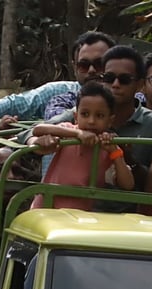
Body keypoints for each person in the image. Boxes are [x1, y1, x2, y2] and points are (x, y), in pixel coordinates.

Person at [0, 31, 115, 130]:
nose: (92, 71)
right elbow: (16, 103)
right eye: (84, 65)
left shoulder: (128, 96)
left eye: (99, 64)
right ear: (74, 66)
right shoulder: (61, 93)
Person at [26, 81, 135, 210]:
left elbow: (128, 184)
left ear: (110, 120)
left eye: (99, 116)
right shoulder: (68, 131)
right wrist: (78, 133)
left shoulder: (106, 144)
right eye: (85, 114)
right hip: (47, 206)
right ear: (76, 116)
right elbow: (38, 129)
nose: (91, 121)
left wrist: (116, 152)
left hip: (79, 216)